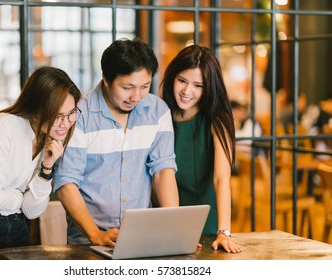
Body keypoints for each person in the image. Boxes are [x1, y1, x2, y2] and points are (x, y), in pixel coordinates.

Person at [53, 37, 179, 246]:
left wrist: (175, 228)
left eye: (145, 86)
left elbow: (163, 170)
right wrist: (95, 234)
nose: (136, 96)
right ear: (106, 78)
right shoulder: (79, 114)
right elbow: (66, 181)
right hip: (88, 241)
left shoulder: (158, 111)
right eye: (127, 87)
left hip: (141, 237)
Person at [0, 66, 82, 259]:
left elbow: (32, 211)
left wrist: (46, 169)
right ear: (37, 108)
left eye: (71, 113)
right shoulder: (2, 127)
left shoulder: (50, 140)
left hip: (17, 226)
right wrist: (20, 200)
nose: (66, 123)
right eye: (58, 116)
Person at [161, 45, 243, 253]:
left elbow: (222, 178)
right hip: (164, 219)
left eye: (198, 85)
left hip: (206, 225)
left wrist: (224, 232)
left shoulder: (218, 120)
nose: (187, 91)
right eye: (182, 81)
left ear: (210, 87)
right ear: (172, 77)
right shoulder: (160, 114)